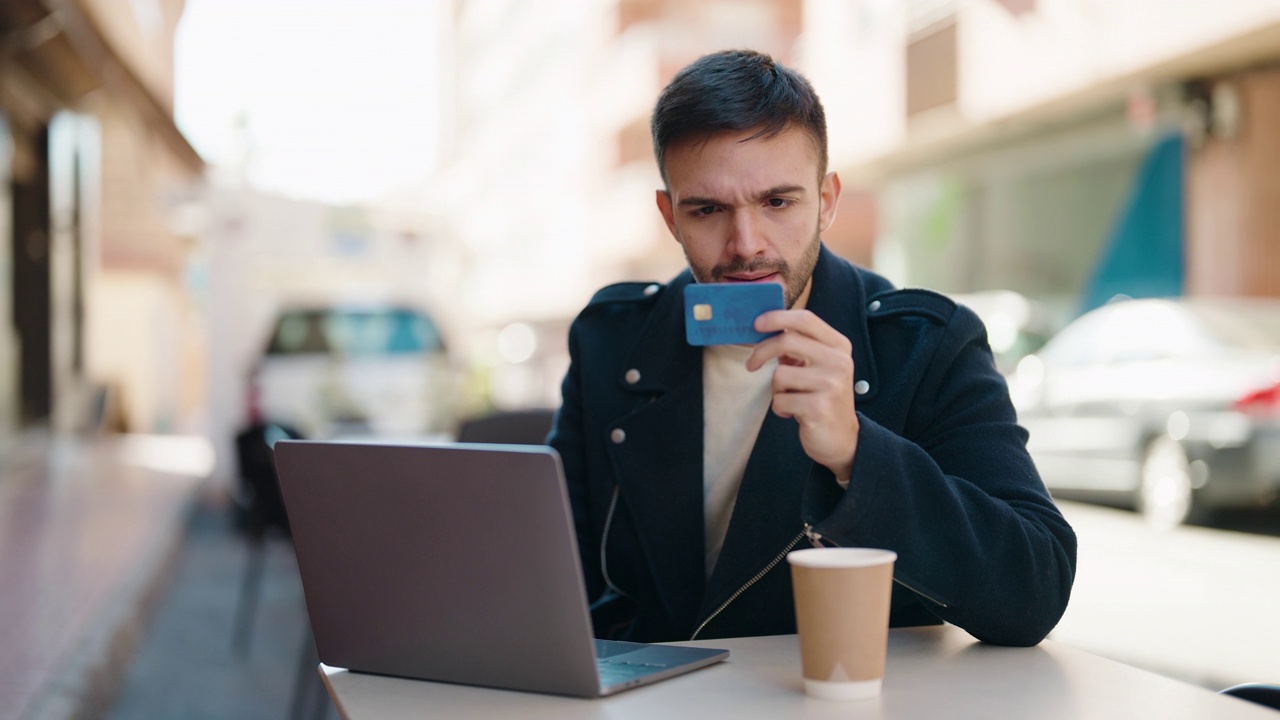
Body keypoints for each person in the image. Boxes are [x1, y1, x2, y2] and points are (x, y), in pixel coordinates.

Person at [547, 49, 1076, 647]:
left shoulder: (924, 345)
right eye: (707, 210)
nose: (746, 245)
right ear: (670, 216)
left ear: (826, 201)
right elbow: (546, 568)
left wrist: (857, 453)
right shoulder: (612, 342)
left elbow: (1036, 586)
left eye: (777, 202)